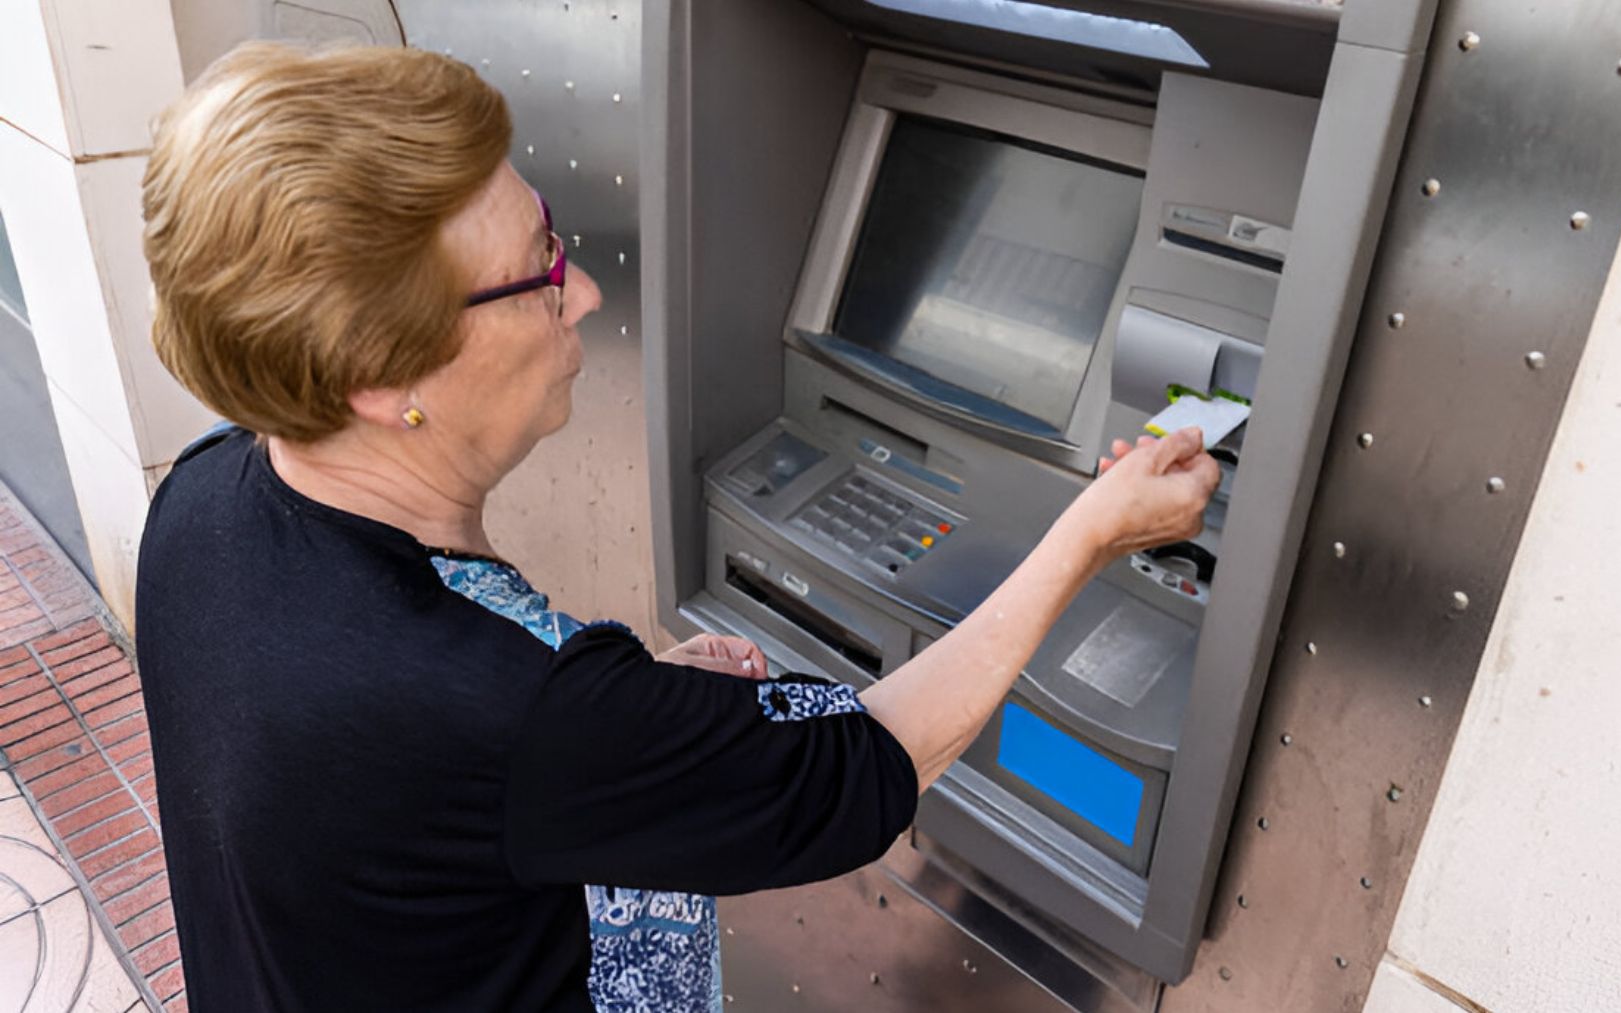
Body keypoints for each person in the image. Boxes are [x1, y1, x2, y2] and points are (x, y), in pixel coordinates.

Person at [134, 43, 1220, 1013]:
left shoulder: (204, 500)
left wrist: (633, 729)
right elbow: (860, 773)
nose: (589, 292)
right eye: (538, 271)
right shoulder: (512, 713)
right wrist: (1088, 533)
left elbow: (411, 790)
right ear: (381, 374)